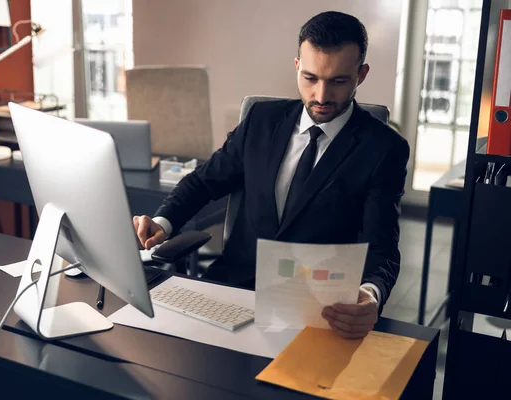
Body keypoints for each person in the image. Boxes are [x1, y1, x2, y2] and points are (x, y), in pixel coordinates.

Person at [133, 11, 409, 339]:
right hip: (231, 289)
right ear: (296, 68)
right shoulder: (260, 121)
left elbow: (382, 248)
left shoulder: (384, 149)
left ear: (360, 75)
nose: (321, 96)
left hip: (316, 310)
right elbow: (204, 181)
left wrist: (370, 294)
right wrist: (163, 224)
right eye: (310, 78)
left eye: (338, 81)